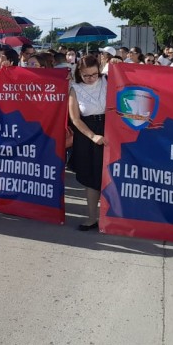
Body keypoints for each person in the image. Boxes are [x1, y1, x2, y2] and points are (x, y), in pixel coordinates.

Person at [68, 55, 108, 231]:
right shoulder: (75, 88)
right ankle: (92, 217)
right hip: (87, 133)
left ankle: (113, 218)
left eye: (94, 74)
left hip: (110, 127)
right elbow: (75, 119)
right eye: (86, 75)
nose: (91, 78)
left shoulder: (108, 81)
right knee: (91, 178)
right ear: (79, 73)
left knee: (110, 175)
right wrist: (93, 136)